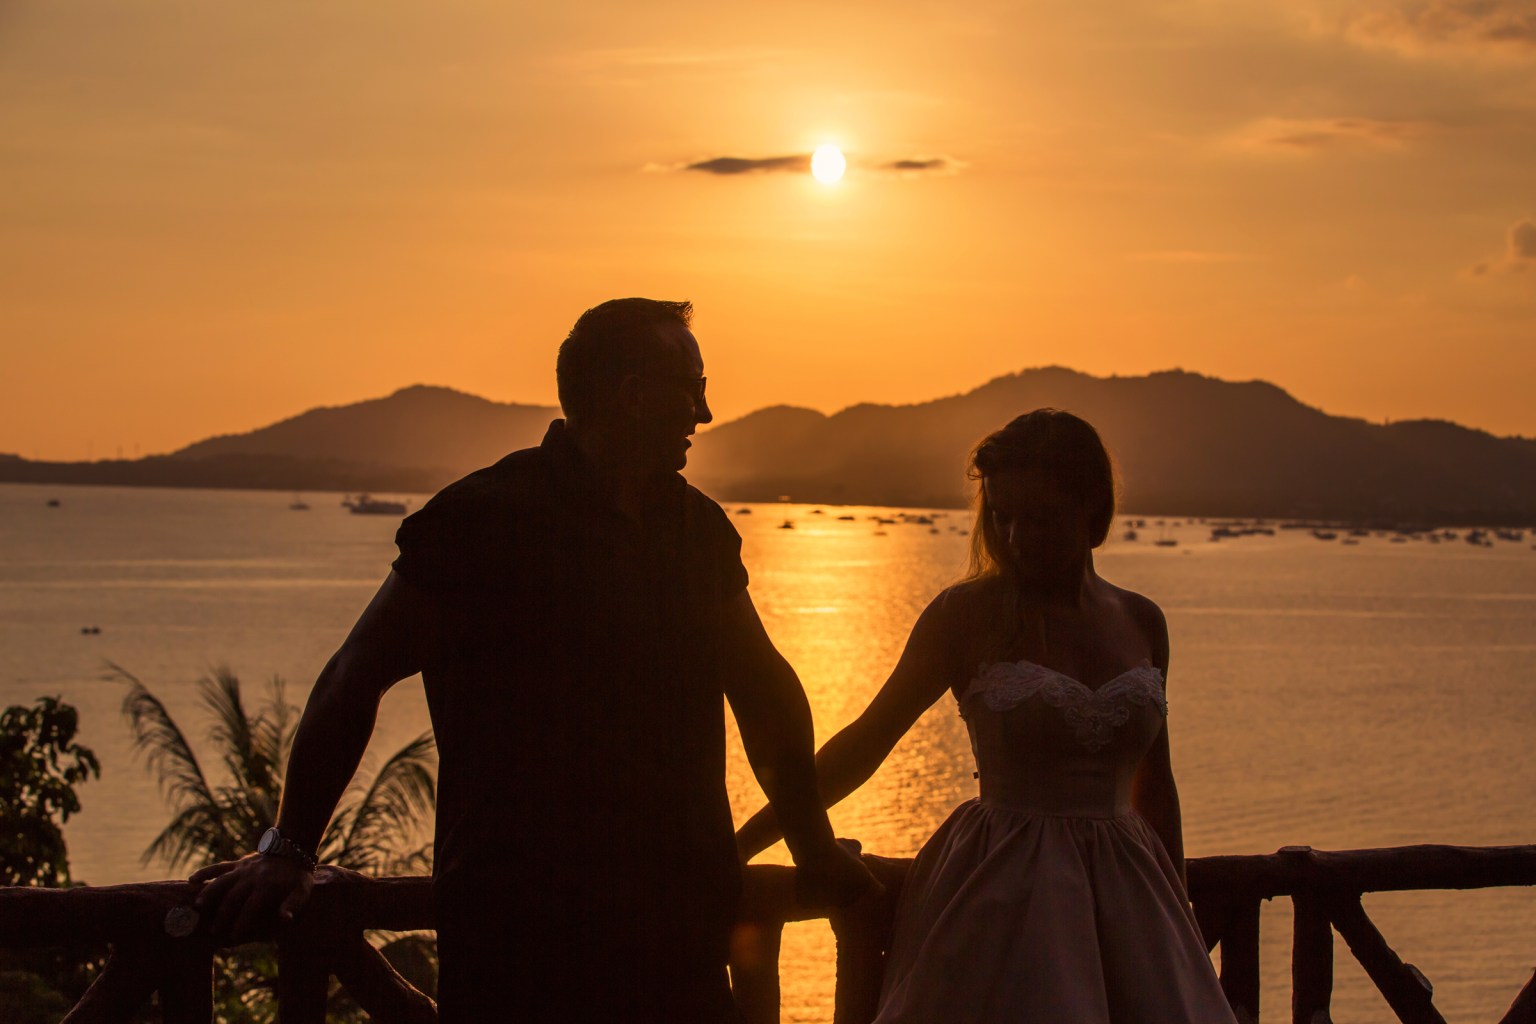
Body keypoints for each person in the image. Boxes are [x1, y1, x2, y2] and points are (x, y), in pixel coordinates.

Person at [190, 298, 874, 1022]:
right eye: (691, 387)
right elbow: (354, 676)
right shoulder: (481, 520)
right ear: (631, 393)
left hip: (676, 926)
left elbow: (764, 693)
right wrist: (290, 848)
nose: (704, 413)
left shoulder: (694, 530)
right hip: (517, 937)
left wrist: (816, 849)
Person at [736, 409, 1237, 1023]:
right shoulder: (965, 616)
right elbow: (865, 744)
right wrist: (742, 843)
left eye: (1040, 517)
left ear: (1092, 510)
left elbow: (1155, 783)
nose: (1018, 536)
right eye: (1002, 516)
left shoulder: (1143, 621)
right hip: (1000, 890)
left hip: (1132, 897)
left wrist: (1179, 911)